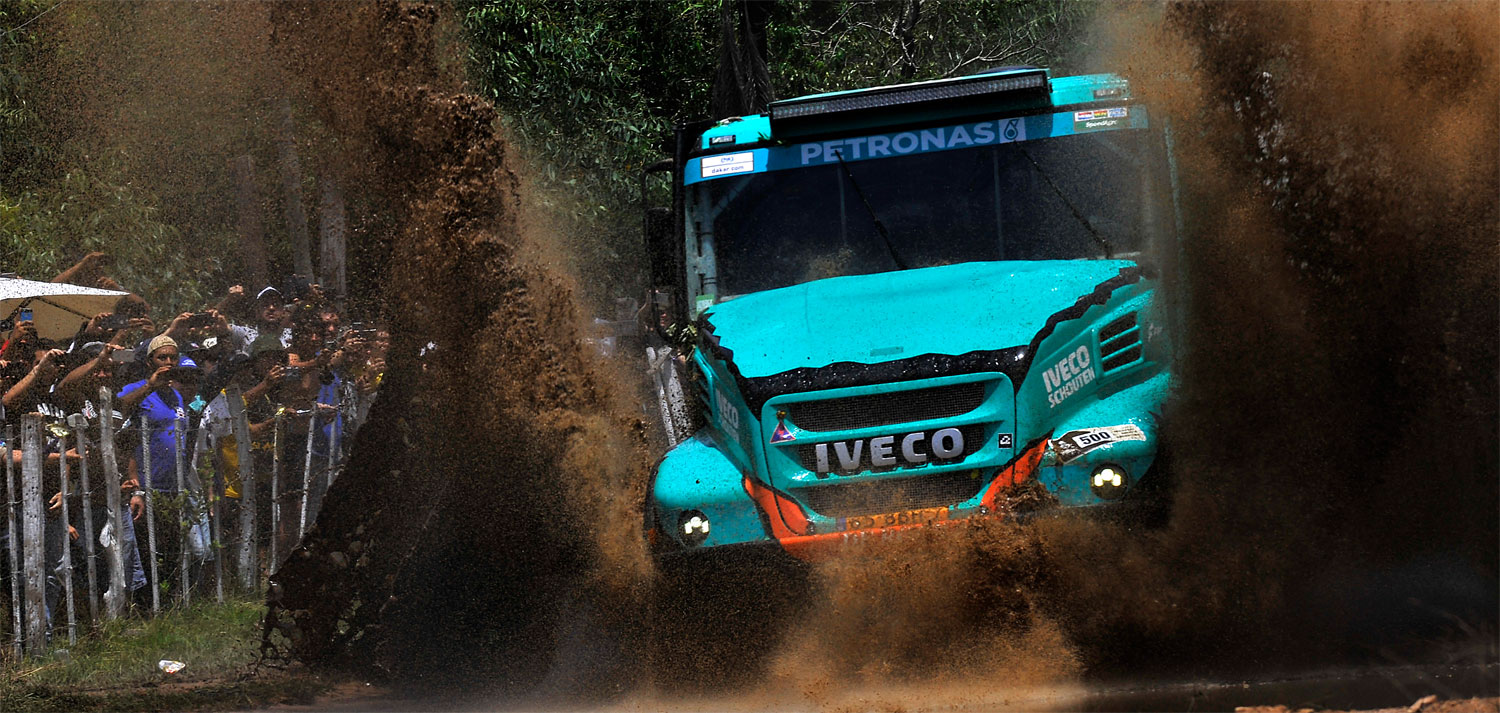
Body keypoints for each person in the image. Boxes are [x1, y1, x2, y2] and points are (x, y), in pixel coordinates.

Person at [117, 335, 208, 603]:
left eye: (172, 358)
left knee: (171, 548)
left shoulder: (177, 396)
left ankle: (169, 605)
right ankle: (145, 607)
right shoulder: (137, 389)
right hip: (146, 484)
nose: (168, 363)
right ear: (150, 362)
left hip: (174, 486)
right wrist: (150, 385)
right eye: (162, 358)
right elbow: (120, 407)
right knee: (147, 549)